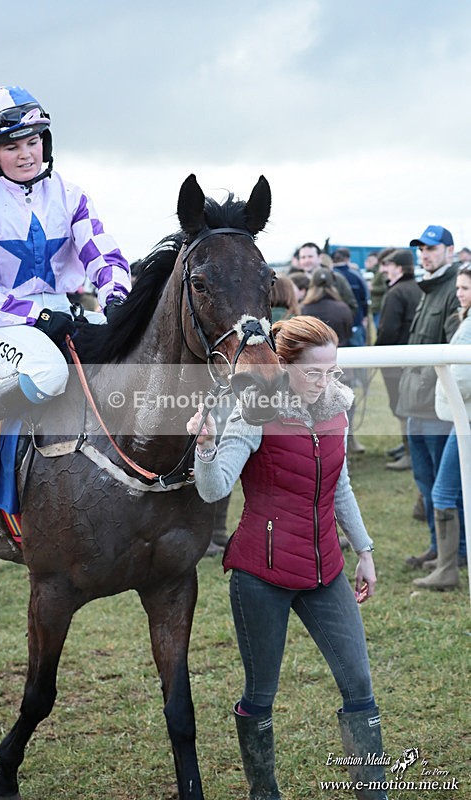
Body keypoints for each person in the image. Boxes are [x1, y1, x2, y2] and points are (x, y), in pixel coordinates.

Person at [187, 316, 388, 800]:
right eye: (314, 373)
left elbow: (340, 484)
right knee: (261, 695)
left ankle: (374, 795)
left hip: (326, 569)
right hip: (261, 575)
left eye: (332, 371)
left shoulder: (336, 409)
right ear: (283, 366)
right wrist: (206, 447)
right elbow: (214, 488)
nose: (325, 383)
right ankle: (264, 793)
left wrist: (364, 550)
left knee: (359, 685)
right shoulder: (251, 412)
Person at [0, 85, 131, 494]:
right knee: (48, 371)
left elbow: (104, 256)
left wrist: (116, 301)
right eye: (12, 147)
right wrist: (36, 316)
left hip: (62, 312)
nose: (27, 154)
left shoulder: (71, 195)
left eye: (33, 141)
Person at [396, 226, 460, 569]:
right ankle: (438, 547)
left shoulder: (452, 289)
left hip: (435, 406)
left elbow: (452, 353)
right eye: (421, 249)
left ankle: (455, 550)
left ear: (449, 251)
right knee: (426, 480)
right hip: (416, 405)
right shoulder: (430, 288)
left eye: (432, 249)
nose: (425, 254)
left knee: (443, 483)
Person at [413, 264, 471, 589]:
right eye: (459, 287)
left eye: (464, 288)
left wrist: (440, 379)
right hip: (460, 417)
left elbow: (461, 377)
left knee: (444, 491)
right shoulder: (464, 320)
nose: (458, 293)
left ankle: (448, 568)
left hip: (465, 419)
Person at [375, 249, 422, 471]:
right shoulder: (417, 287)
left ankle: (410, 453)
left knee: (401, 407)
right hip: (411, 358)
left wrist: (375, 353)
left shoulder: (396, 292)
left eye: (388, 264)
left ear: (399, 267)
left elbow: (388, 330)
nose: (384, 268)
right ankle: (408, 447)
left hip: (396, 359)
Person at [292, 242, 358, 315]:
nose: (306, 260)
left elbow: (352, 306)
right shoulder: (295, 281)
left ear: (319, 258)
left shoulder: (336, 278)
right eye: (303, 257)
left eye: (310, 256)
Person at [300, 267, 353, 346]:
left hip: (312, 355)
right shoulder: (343, 308)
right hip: (339, 353)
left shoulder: (303, 309)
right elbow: (348, 333)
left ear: (312, 284)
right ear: (332, 284)